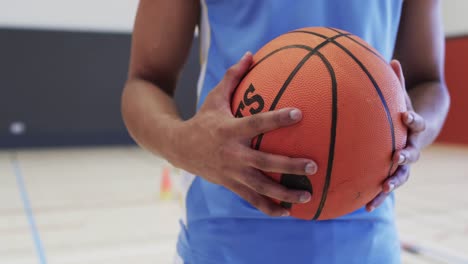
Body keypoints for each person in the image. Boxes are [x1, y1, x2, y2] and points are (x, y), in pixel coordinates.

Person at [121, 0, 450, 263]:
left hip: (367, 234)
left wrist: (413, 132)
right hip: (225, 238)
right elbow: (145, 82)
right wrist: (185, 144)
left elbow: (429, 83)